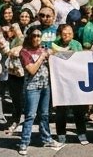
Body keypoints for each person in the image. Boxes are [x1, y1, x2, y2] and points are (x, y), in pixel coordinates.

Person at [17, 26, 62, 155]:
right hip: (32, 87)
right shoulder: (25, 52)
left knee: (45, 114)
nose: (36, 38)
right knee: (30, 115)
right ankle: (24, 142)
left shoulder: (45, 49)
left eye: (38, 36)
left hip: (45, 86)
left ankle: (46, 138)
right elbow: (31, 70)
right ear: (29, 37)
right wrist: (42, 57)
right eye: (34, 36)